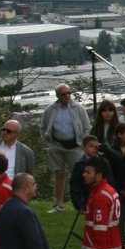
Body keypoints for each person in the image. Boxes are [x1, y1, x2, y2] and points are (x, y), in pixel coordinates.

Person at [38, 84, 90, 212]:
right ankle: (59, 204)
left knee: (79, 174)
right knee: (59, 174)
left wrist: (83, 143)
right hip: (56, 145)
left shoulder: (78, 108)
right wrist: (47, 142)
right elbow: (43, 127)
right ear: (58, 96)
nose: (67, 96)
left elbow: (87, 127)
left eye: (68, 93)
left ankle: (82, 203)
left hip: (75, 146)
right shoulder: (51, 110)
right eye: (63, 94)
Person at [0, 119, 35, 194]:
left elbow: (29, 174)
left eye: (9, 131)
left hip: (14, 191)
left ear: (17, 134)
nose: (5, 133)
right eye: (3, 129)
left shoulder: (26, 152)